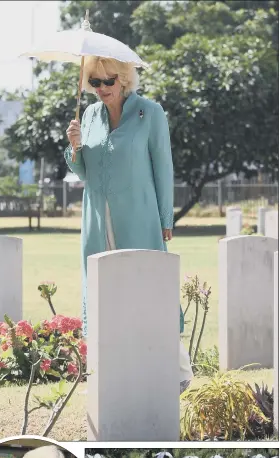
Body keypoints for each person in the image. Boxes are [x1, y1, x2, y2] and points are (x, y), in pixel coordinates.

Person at [65, 55, 192, 393]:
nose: (102, 88)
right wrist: (73, 147)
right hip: (96, 220)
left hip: (139, 216)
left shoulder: (149, 113)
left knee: (149, 289)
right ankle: (114, 371)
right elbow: (83, 172)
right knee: (103, 293)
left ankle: (178, 371)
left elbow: (163, 168)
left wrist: (166, 218)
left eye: (109, 81)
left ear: (123, 78)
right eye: (95, 82)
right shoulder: (88, 116)